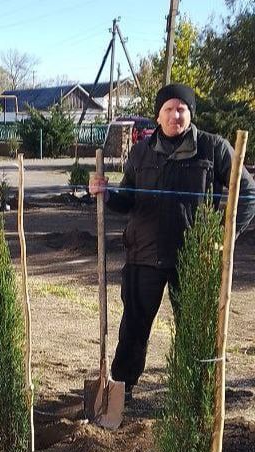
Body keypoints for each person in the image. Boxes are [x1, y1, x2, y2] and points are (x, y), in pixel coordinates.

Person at [89, 83, 255, 398]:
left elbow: (246, 191)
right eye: (168, 109)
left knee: (192, 330)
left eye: (181, 109)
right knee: (133, 330)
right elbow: (128, 199)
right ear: (158, 114)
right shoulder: (141, 151)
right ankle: (121, 394)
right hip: (144, 256)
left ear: (190, 113)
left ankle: (191, 397)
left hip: (192, 259)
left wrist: (223, 236)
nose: (174, 115)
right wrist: (107, 193)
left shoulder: (213, 148)